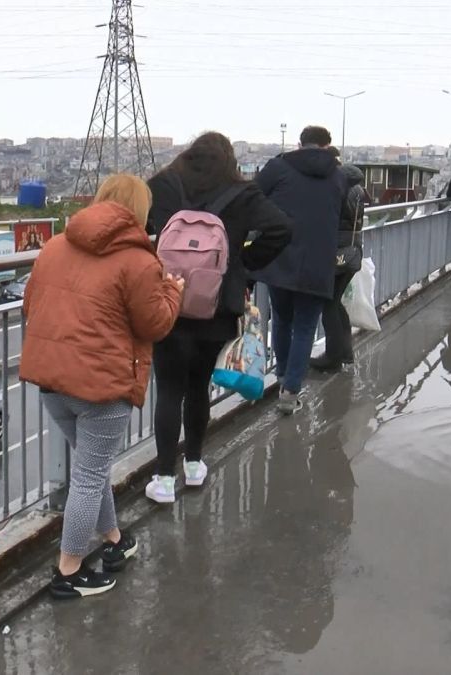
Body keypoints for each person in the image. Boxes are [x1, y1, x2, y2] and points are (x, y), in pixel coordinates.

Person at [20, 173, 183, 598]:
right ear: (139, 211)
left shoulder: (55, 246)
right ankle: (68, 573)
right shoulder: (139, 261)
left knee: (90, 471)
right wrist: (173, 292)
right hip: (103, 387)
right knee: (89, 477)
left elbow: (29, 304)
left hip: (53, 381)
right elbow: (155, 324)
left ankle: (114, 541)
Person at [144, 132, 292, 504]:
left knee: (169, 389)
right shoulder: (242, 193)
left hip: (169, 301)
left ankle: (163, 478)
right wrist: (243, 267)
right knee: (197, 388)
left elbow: (136, 226)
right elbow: (281, 229)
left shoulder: (163, 185)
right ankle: (194, 465)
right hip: (217, 306)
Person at [252, 125, 347, 414]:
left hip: (279, 257)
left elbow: (253, 197)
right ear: (327, 146)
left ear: (300, 143)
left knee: (281, 320)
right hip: (319, 262)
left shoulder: (278, 167)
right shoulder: (339, 177)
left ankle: (281, 375)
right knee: (306, 326)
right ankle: (291, 391)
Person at [310, 147, 369, 372]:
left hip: (336, 251)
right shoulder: (356, 187)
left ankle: (333, 357)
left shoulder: (336, 187)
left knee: (329, 305)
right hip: (353, 250)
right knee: (335, 303)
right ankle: (345, 353)